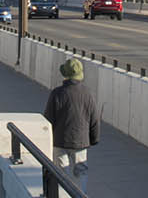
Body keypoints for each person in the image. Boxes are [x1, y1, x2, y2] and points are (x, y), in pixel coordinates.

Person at [42, 58, 99, 193]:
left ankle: (62, 195)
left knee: (61, 172)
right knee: (81, 171)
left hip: (60, 140)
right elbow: (94, 119)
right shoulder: (88, 93)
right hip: (81, 141)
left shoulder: (57, 93)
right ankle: (80, 194)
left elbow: (48, 119)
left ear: (65, 75)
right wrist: (93, 138)